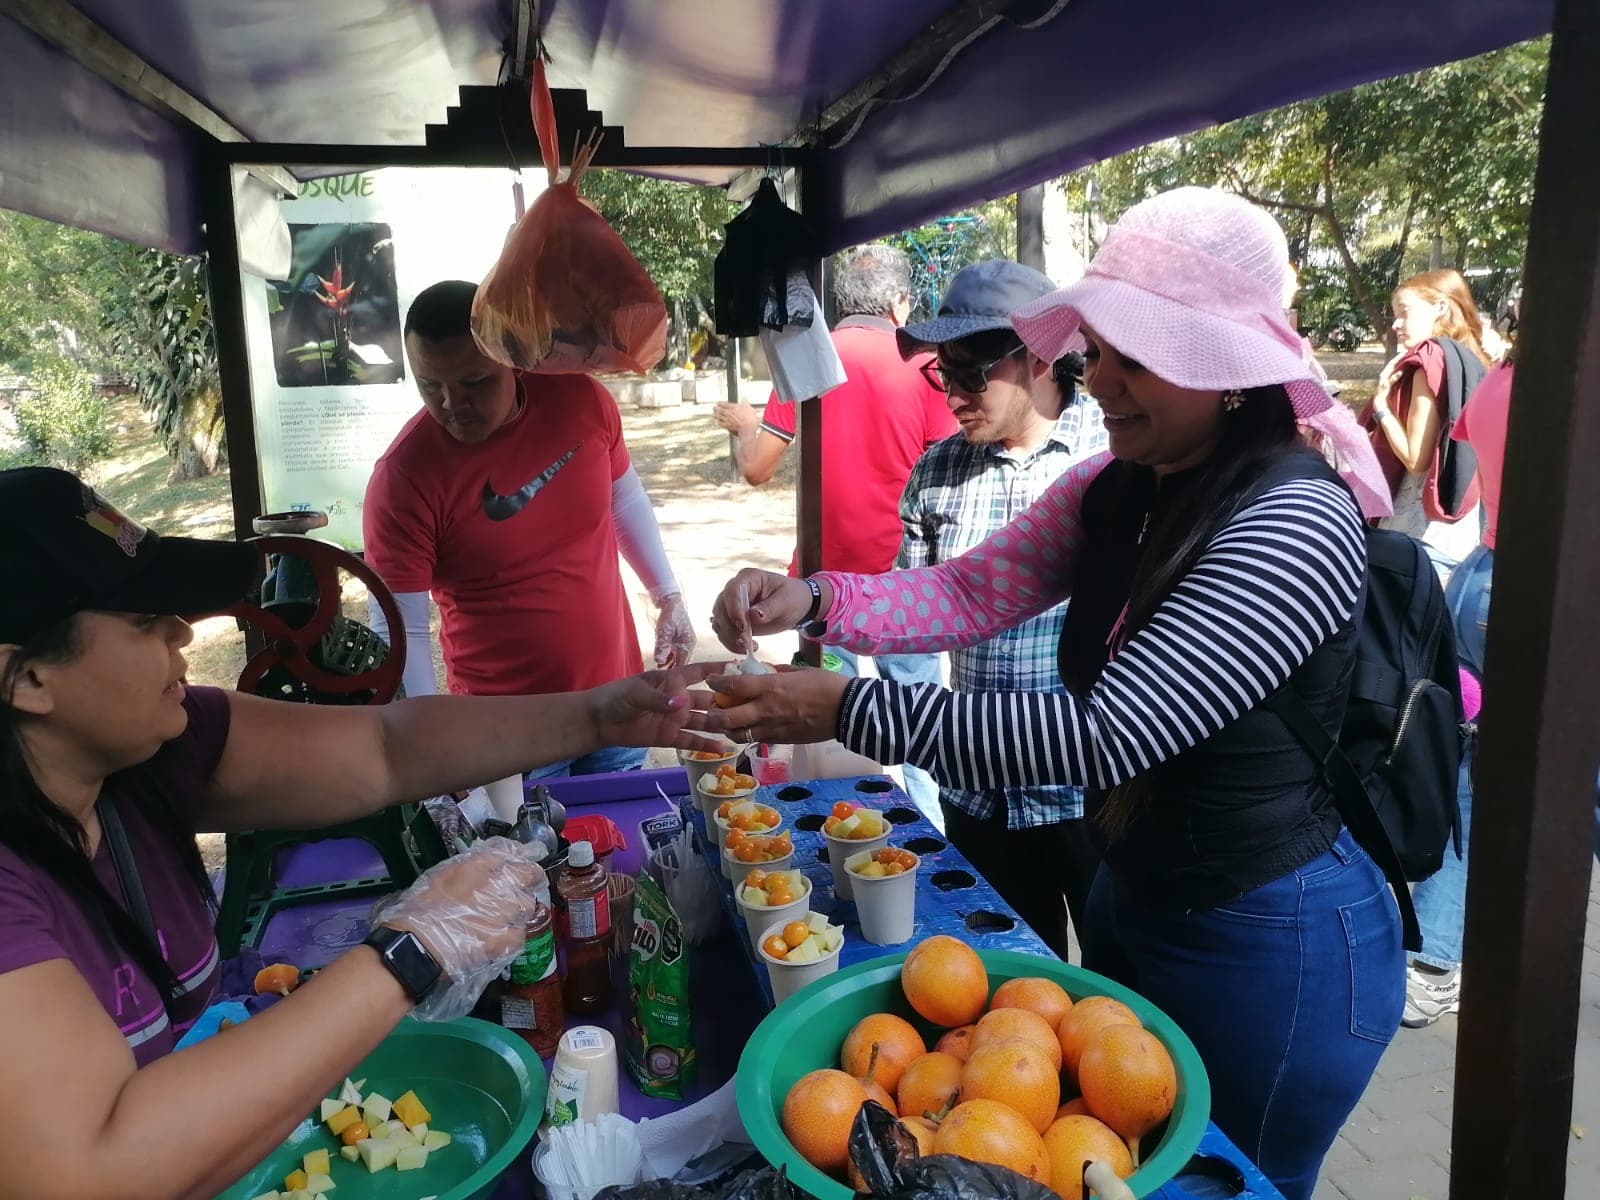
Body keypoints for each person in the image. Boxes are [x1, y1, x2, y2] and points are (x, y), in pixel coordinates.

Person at [702, 188, 1401, 1200]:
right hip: (1139, 893)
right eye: (1098, 350)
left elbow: (1102, 736)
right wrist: (810, 596)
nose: (1097, 379)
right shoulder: (1127, 483)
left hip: (1272, 940)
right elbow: (967, 588)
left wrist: (845, 710)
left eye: (1130, 357)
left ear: (1227, 367)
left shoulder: (1293, 519)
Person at [0, 467, 716, 1199]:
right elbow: (88, 1171)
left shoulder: (143, 755)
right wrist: (413, 949)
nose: (183, 633)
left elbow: (383, 749)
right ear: (24, 681)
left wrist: (599, 715)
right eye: (145, 623)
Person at [363, 281, 695, 809]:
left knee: (615, 859)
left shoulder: (581, 399)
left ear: (514, 360)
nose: (453, 405)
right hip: (512, 735)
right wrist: (433, 749)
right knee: (533, 876)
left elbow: (623, 498)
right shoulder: (404, 478)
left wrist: (668, 595)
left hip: (617, 697)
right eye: (431, 386)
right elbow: (399, 628)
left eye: (474, 381)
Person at [892, 259, 1107, 959]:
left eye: (971, 374)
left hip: (1092, 790)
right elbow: (911, 624)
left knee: (1120, 994)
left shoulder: (1113, 460)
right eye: (942, 373)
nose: (952, 394)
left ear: (1040, 356)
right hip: (979, 788)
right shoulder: (937, 471)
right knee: (1010, 994)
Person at [713, 244, 955, 815]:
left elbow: (756, 468)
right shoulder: (924, 365)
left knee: (824, 724)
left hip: (820, 585)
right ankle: (931, 833)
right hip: (908, 588)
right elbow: (949, 471)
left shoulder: (808, 356)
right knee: (918, 727)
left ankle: (836, 829)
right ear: (899, 302)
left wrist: (747, 426)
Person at [1403, 327, 1515, 1027]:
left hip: (1481, 578)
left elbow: (1465, 457)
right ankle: (1438, 957)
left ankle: (1434, 957)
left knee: (1465, 773)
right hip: (1545, 593)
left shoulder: (1504, 378)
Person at [1363, 269, 1492, 581]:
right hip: (1465, 530)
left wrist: (1381, 408)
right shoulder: (1477, 362)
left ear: (1440, 308)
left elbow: (1416, 458)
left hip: (1416, 537)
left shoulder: (1430, 359)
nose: (1396, 325)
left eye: (1404, 312)